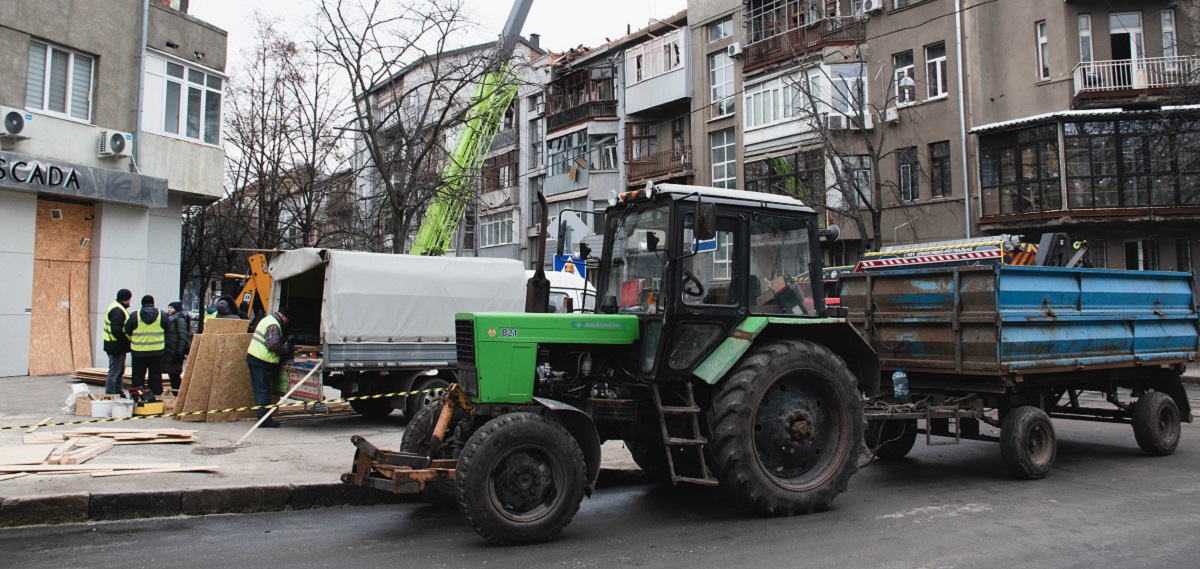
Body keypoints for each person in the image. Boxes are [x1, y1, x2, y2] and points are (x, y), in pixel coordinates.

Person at [246, 306, 292, 428]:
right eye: (287, 320)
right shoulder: (274, 325)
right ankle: (264, 419)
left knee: (260, 389)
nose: (287, 323)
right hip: (262, 360)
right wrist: (287, 349)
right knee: (264, 391)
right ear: (282, 317)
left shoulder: (268, 319)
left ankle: (262, 416)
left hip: (256, 358)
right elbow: (274, 345)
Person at [124, 295, 165, 400]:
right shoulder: (161, 314)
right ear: (153, 303)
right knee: (155, 376)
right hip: (157, 351)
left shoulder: (134, 315)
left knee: (138, 376)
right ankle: (156, 397)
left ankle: (137, 397)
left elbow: (127, 331)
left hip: (138, 351)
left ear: (142, 303)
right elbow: (169, 330)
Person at [102, 289, 133, 396]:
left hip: (113, 344)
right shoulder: (118, 310)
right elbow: (116, 330)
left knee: (119, 371)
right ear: (128, 299)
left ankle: (118, 392)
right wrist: (126, 342)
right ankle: (110, 394)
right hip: (116, 345)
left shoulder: (116, 306)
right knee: (115, 372)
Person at [163, 301, 193, 392]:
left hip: (175, 352)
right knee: (172, 374)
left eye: (171, 308)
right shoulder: (170, 318)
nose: (169, 309)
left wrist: (179, 352)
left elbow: (183, 336)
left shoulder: (179, 319)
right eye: (168, 307)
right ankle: (177, 394)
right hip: (170, 351)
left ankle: (179, 394)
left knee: (174, 375)